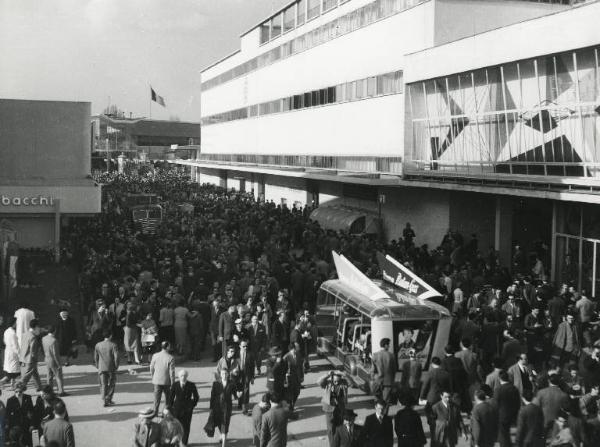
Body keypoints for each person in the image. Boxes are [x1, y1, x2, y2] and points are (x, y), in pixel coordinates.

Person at [419, 356, 450, 440]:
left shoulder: (430, 373)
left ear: (432, 364)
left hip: (432, 397)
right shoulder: (446, 373)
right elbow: (449, 387)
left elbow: (425, 386)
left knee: (430, 413)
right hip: (442, 398)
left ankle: (433, 428)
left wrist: (422, 396)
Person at [319, 370, 350, 447]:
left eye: (338, 381)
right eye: (335, 381)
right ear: (332, 379)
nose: (336, 383)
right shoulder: (328, 383)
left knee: (340, 428)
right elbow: (319, 382)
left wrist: (343, 374)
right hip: (329, 409)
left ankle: (338, 443)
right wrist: (327, 374)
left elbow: (351, 383)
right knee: (330, 429)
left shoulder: (343, 382)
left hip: (340, 409)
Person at [168, 369, 199, 445]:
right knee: (176, 427)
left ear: (187, 376)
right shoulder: (175, 385)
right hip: (177, 409)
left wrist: (192, 405)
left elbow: (196, 397)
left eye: (185, 376)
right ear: (179, 376)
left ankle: (184, 443)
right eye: (181, 376)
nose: (183, 377)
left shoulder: (191, 385)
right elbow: (171, 398)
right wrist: (170, 408)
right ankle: (176, 442)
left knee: (186, 427)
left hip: (187, 410)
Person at [209, 369, 239, 447]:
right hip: (217, 407)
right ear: (220, 374)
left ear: (228, 374)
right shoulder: (215, 384)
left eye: (226, 373)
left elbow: (235, 396)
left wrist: (238, 396)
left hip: (227, 407)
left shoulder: (232, 383)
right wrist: (211, 407)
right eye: (223, 373)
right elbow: (212, 396)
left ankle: (223, 444)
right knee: (219, 423)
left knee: (225, 424)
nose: (224, 375)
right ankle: (222, 435)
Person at [495, 369, 521, 447]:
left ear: (500, 379)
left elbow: (495, 403)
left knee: (503, 433)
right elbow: (518, 402)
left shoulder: (498, 390)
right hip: (513, 413)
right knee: (507, 431)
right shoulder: (514, 388)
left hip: (502, 414)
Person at [94, 329, 119, 407]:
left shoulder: (98, 345)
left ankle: (104, 399)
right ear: (111, 335)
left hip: (101, 367)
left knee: (103, 384)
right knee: (112, 383)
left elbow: (95, 357)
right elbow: (116, 357)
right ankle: (108, 399)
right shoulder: (113, 345)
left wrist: (97, 365)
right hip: (111, 367)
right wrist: (116, 365)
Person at [150, 341, 175, 417]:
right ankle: (165, 413)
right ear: (167, 347)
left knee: (156, 398)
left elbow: (151, 367)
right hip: (166, 381)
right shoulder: (170, 357)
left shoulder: (155, 355)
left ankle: (155, 412)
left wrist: (153, 376)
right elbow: (172, 372)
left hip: (157, 380)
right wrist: (173, 382)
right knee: (167, 399)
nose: (170, 347)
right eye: (169, 346)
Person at [42, 325, 67, 396]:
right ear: (54, 331)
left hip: (47, 358)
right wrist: (59, 364)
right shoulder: (54, 340)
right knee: (58, 376)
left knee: (49, 376)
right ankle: (61, 391)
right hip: (53, 360)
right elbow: (55, 354)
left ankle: (49, 391)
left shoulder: (44, 338)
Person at [19, 318, 43, 392]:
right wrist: (35, 359)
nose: (39, 329)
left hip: (23, 357)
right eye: (38, 327)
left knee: (35, 373)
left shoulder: (25, 334)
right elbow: (33, 351)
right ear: (35, 327)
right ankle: (19, 388)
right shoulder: (33, 337)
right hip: (30, 359)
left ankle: (39, 387)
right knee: (26, 377)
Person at [371, 338, 396, 406]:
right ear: (385, 345)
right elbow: (394, 370)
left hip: (378, 381)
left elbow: (373, 370)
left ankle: (378, 414)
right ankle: (384, 415)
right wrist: (393, 382)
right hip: (388, 382)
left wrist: (373, 379)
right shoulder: (391, 356)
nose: (389, 346)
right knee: (386, 401)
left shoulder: (375, 355)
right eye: (389, 345)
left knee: (377, 400)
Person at [283, 341, 303, 417]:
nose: (296, 350)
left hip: (297, 377)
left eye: (296, 348)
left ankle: (293, 403)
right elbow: (283, 369)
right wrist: (284, 379)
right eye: (295, 348)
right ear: (291, 349)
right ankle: (290, 406)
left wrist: (302, 376)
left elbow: (301, 366)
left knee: (297, 392)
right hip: (289, 378)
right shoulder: (286, 357)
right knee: (289, 393)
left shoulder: (298, 355)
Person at [1, 317, 21, 389]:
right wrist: (20, 355)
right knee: (12, 373)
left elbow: (4, 341)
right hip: (13, 354)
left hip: (8, 352)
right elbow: (15, 346)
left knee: (12, 372)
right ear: (14, 323)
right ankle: (1, 382)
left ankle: (12, 385)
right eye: (16, 322)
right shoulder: (13, 333)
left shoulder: (6, 331)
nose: (17, 324)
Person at [238, 339, 255, 415]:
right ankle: (239, 403)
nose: (245, 348)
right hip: (237, 375)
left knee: (246, 390)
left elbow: (252, 366)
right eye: (243, 346)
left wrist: (252, 377)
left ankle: (245, 409)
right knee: (238, 389)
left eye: (246, 346)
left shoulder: (250, 354)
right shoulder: (235, 354)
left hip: (247, 374)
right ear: (239, 346)